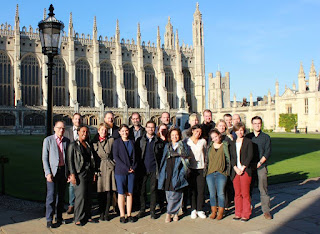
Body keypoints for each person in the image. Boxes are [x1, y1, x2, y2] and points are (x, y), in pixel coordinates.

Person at [67, 124, 98, 226]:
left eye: (86, 132)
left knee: (88, 195)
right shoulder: (73, 145)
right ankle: (78, 218)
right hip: (79, 173)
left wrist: (93, 173)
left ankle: (88, 216)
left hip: (89, 172)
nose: (85, 133)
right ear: (78, 132)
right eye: (83, 131)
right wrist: (72, 174)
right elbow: (70, 161)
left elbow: (91, 160)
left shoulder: (88, 144)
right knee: (80, 196)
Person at [42, 121, 70, 228]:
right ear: (54, 128)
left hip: (63, 171)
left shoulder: (66, 141)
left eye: (63, 128)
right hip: (53, 172)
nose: (61, 130)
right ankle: (49, 218)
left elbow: (68, 158)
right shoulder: (48, 140)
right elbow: (44, 158)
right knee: (51, 196)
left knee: (61, 196)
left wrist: (68, 173)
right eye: (59, 128)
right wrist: (48, 173)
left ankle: (59, 217)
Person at [158, 127, 189, 223]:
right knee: (169, 194)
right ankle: (175, 213)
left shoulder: (183, 146)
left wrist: (183, 172)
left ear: (179, 136)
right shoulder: (167, 146)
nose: (174, 137)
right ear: (170, 137)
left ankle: (169, 213)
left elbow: (186, 160)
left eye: (176, 135)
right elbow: (163, 159)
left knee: (176, 193)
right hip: (168, 171)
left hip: (178, 170)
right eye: (172, 135)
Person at [135, 120, 165, 219]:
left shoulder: (159, 141)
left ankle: (152, 211)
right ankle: (142, 210)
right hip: (142, 169)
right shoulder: (140, 140)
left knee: (153, 190)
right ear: (146, 128)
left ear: (155, 128)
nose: (150, 129)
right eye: (149, 127)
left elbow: (161, 156)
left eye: (152, 127)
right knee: (142, 190)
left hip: (154, 169)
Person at [246, 116, 272, 220]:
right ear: (252, 124)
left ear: (261, 124)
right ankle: (248, 209)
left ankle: (266, 211)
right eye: (255, 123)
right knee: (248, 189)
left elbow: (268, 152)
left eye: (259, 123)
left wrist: (260, 162)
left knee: (263, 189)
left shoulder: (266, 137)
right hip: (250, 166)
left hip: (261, 166)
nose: (257, 125)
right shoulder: (248, 137)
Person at [113, 124, 137, 223]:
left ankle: (129, 214)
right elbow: (116, 157)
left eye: (126, 130)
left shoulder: (132, 142)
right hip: (121, 171)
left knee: (130, 193)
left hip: (131, 171)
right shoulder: (117, 142)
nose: (125, 132)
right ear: (119, 132)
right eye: (122, 131)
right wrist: (126, 168)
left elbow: (136, 156)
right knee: (121, 193)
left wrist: (133, 167)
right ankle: (122, 215)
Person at [229, 122, 253, 222]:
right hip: (235, 171)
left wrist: (243, 168)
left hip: (245, 170)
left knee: (245, 193)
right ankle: (238, 213)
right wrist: (235, 168)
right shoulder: (232, 143)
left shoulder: (248, 142)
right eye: (238, 130)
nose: (240, 132)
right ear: (235, 131)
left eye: (242, 130)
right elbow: (231, 157)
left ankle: (246, 214)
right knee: (237, 193)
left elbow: (250, 156)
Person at [204, 129, 230, 220]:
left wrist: (226, 172)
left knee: (221, 193)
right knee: (212, 194)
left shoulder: (225, 145)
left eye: (216, 136)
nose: (215, 138)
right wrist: (206, 172)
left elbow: (228, 160)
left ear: (219, 135)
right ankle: (213, 211)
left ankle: (221, 212)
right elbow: (206, 160)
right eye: (213, 137)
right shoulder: (210, 146)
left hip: (221, 173)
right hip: (210, 173)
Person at [92, 123, 116, 221]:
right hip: (100, 168)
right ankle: (101, 212)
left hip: (109, 168)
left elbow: (115, 154)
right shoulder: (94, 142)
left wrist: (113, 164)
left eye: (105, 130)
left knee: (108, 192)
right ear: (98, 131)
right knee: (100, 192)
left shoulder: (111, 141)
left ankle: (106, 213)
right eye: (102, 130)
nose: (104, 132)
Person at [185, 124, 207, 219]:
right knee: (192, 190)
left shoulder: (203, 141)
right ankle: (193, 209)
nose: (198, 133)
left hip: (201, 168)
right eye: (197, 131)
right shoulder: (187, 141)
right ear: (193, 131)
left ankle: (200, 209)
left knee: (201, 189)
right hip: (191, 168)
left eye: (200, 132)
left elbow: (205, 154)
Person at [64, 113, 82, 215]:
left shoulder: (84, 130)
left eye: (79, 119)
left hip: (81, 161)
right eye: (76, 119)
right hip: (71, 161)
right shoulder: (67, 132)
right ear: (72, 120)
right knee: (72, 184)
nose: (77, 121)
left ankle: (79, 205)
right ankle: (71, 205)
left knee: (81, 185)